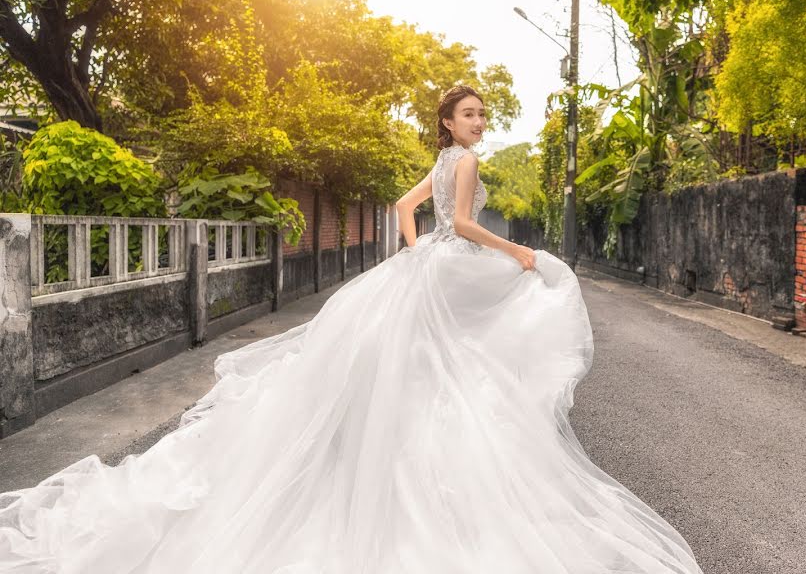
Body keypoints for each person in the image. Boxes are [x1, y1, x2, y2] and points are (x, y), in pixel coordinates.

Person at [0, 85, 704, 573]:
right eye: (470, 114)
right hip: (446, 263)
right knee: (452, 362)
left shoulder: (440, 160)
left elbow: (406, 207)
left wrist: (410, 249)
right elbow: (460, 224)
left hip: (422, 267)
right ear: (449, 123)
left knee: (415, 367)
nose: (480, 122)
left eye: (483, 115)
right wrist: (518, 252)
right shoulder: (467, 163)